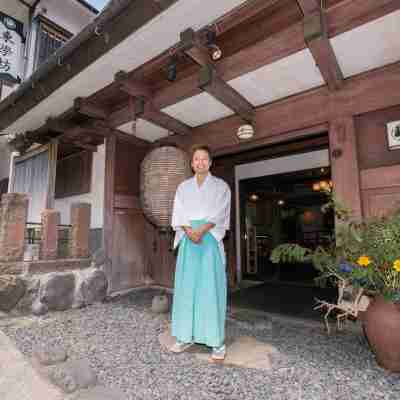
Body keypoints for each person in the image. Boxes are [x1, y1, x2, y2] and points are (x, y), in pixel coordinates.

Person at [170, 145, 231, 361]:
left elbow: (220, 212)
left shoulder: (221, 186)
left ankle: (216, 341)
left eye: (204, 159)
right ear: (192, 163)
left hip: (209, 240)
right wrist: (188, 231)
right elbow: (178, 212)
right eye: (196, 159)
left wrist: (202, 230)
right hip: (189, 239)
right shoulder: (183, 187)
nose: (200, 162)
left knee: (210, 288)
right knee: (187, 287)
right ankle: (185, 336)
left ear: (210, 162)